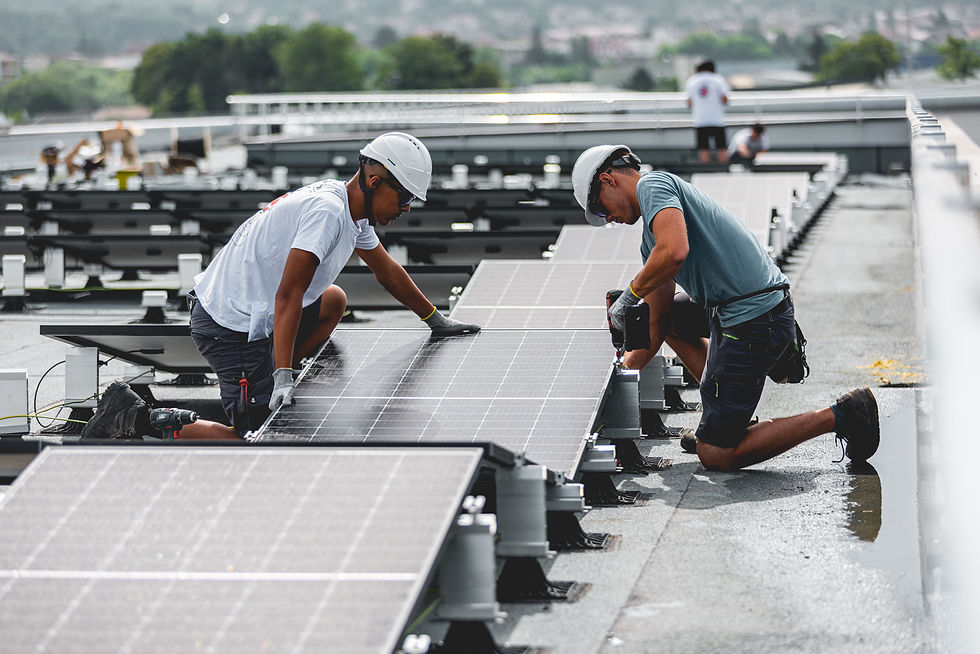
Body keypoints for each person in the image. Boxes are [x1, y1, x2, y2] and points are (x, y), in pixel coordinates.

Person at [81, 132, 481, 441]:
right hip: (229, 327)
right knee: (257, 437)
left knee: (333, 300)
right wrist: (285, 375)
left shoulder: (353, 211)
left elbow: (387, 270)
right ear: (376, 181)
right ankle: (134, 417)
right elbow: (288, 294)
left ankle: (268, 378)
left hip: (257, 313)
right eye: (406, 197)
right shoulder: (327, 212)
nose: (407, 208)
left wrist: (435, 320)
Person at [570, 144, 880, 471]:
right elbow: (658, 325)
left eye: (602, 211)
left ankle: (843, 414)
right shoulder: (650, 243)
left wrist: (630, 294)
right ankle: (728, 412)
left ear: (608, 180)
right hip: (739, 309)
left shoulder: (653, 185)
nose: (609, 220)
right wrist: (618, 380)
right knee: (669, 317)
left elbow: (674, 250)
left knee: (715, 454)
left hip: (755, 317)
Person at [684, 60, 730, 164]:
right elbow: (725, 99)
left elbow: (689, 102)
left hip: (700, 119)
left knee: (703, 149)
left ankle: (705, 171)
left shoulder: (692, 81)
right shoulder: (718, 79)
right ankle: (723, 170)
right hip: (717, 119)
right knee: (721, 148)